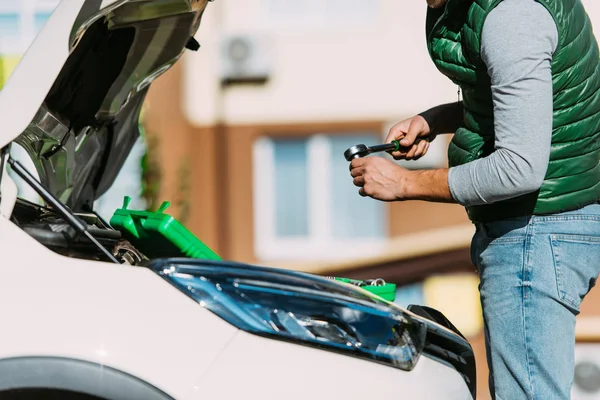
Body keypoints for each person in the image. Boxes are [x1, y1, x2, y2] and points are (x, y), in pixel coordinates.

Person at [349, 0, 600, 398]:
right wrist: (435, 120)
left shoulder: (511, 15)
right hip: (542, 228)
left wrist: (405, 184)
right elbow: (522, 102)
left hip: (535, 232)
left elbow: (519, 166)